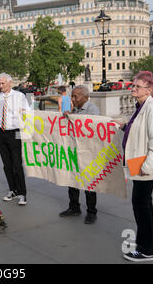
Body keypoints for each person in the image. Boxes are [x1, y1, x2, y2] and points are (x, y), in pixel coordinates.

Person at [113, 71, 153, 262]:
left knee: (141, 205)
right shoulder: (141, 106)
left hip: (145, 166)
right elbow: (137, 130)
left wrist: (147, 167)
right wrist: (123, 126)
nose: (133, 88)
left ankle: (146, 249)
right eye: (134, 85)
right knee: (144, 204)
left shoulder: (152, 108)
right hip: (140, 164)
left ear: (149, 90)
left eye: (137, 86)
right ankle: (147, 243)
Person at [59, 85, 100, 224]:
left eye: (75, 96)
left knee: (89, 184)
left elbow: (91, 130)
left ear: (85, 97)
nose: (73, 99)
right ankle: (74, 207)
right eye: (72, 96)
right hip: (75, 151)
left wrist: (73, 118)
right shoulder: (75, 109)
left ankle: (91, 211)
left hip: (88, 153)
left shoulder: (92, 110)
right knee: (72, 181)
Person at [0, 73, 31, 205]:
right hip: (1, 133)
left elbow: (27, 113)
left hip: (15, 132)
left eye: (3, 83)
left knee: (17, 164)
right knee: (7, 165)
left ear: (10, 83)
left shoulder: (19, 96)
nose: (0, 86)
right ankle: (12, 190)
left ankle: (22, 193)